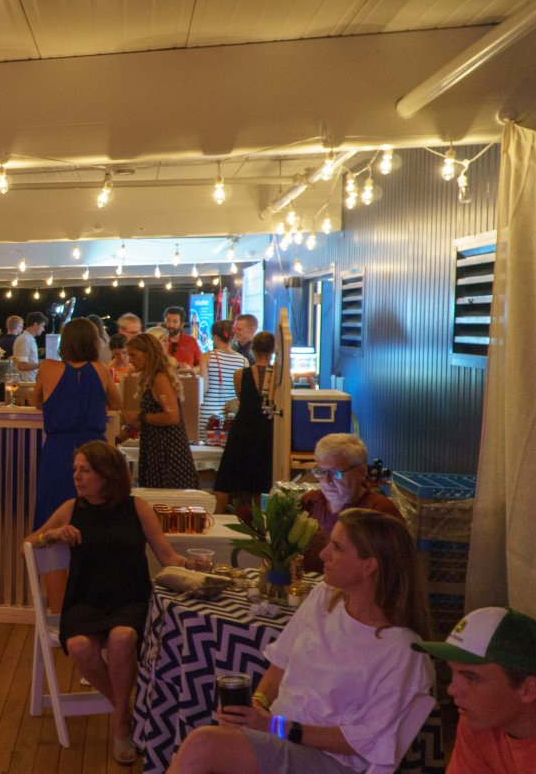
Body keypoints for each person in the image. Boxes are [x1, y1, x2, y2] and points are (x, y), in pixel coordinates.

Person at [168, 509, 436, 774]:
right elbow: (280, 664)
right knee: (204, 747)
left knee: (205, 745)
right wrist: (256, 706)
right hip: (280, 737)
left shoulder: (402, 650)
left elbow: (366, 740)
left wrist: (275, 726)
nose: (323, 554)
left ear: (369, 566)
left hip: (332, 761)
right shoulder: (325, 598)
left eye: (337, 547)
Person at [28, 441, 187, 765]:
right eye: (75, 470)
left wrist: (194, 565)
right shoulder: (71, 508)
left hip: (129, 598)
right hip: (85, 600)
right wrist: (53, 535)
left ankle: (120, 725)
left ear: (107, 474)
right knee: (80, 647)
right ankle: (125, 711)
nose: (77, 476)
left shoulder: (137, 507)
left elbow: (168, 557)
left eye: (85, 470)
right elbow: (27, 545)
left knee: (122, 638)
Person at [412, 607, 536, 774]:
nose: (452, 690)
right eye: (453, 672)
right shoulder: (479, 722)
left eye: (471, 678)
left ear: (528, 689)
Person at [34, 318, 122, 533]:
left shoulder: (48, 368)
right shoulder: (101, 369)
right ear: (93, 342)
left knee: (53, 511)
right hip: (94, 450)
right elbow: (117, 403)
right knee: (93, 511)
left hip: (58, 450)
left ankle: (51, 554)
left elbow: (37, 402)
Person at [298, 433, 404, 573]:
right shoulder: (309, 502)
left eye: (336, 473)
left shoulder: (380, 512)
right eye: (321, 472)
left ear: (361, 472)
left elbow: (394, 572)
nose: (327, 481)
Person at [213, 331, 277, 514]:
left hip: (242, 429)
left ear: (253, 349)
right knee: (260, 484)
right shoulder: (278, 377)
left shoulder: (240, 375)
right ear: (273, 350)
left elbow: (242, 400)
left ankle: (217, 519)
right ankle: (258, 522)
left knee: (225, 480)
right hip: (267, 429)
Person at [124, 333, 197, 489]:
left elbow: (172, 417)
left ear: (148, 354)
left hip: (166, 451)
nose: (130, 360)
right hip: (157, 448)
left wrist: (141, 416)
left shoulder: (160, 379)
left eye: (133, 355)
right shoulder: (152, 378)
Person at [198, 319, 248, 433]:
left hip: (208, 415)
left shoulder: (206, 357)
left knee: (207, 443)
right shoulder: (243, 361)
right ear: (232, 337)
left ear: (215, 337)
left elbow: (204, 389)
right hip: (231, 415)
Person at [12, 311, 47, 383]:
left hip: (28, 382)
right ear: (35, 324)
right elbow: (22, 366)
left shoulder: (28, 339)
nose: (43, 329)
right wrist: (42, 364)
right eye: (42, 326)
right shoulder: (25, 339)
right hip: (25, 384)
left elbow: (28, 362)